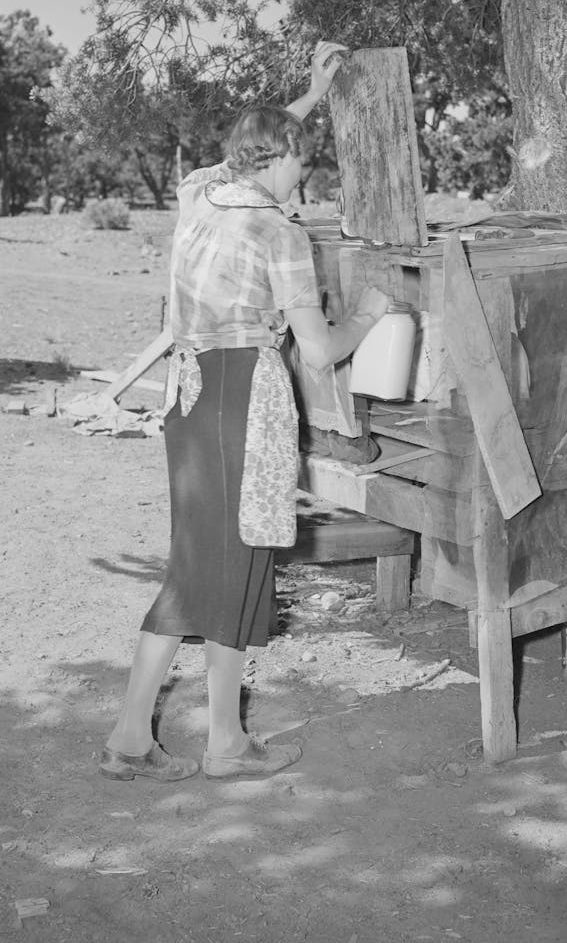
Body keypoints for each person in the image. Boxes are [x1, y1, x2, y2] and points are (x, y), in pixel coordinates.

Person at [100, 41, 390, 783]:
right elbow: (322, 354)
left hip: (190, 396)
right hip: (239, 398)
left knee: (209, 564)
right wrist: (370, 314)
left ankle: (146, 737)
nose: (306, 173)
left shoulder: (198, 195)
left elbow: (238, 157)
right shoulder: (280, 233)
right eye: (302, 160)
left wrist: (310, 95)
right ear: (280, 157)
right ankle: (210, 743)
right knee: (225, 565)